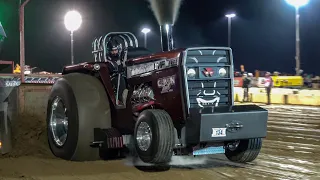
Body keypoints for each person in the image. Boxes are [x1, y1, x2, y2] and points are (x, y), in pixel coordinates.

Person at [105, 39, 127, 105]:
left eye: (115, 50)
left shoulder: (120, 58)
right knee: (120, 79)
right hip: (113, 78)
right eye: (112, 51)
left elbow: (123, 66)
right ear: (109, 51)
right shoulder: (107, 60)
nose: (114, 52)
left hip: (121, 75)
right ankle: (121, 99)